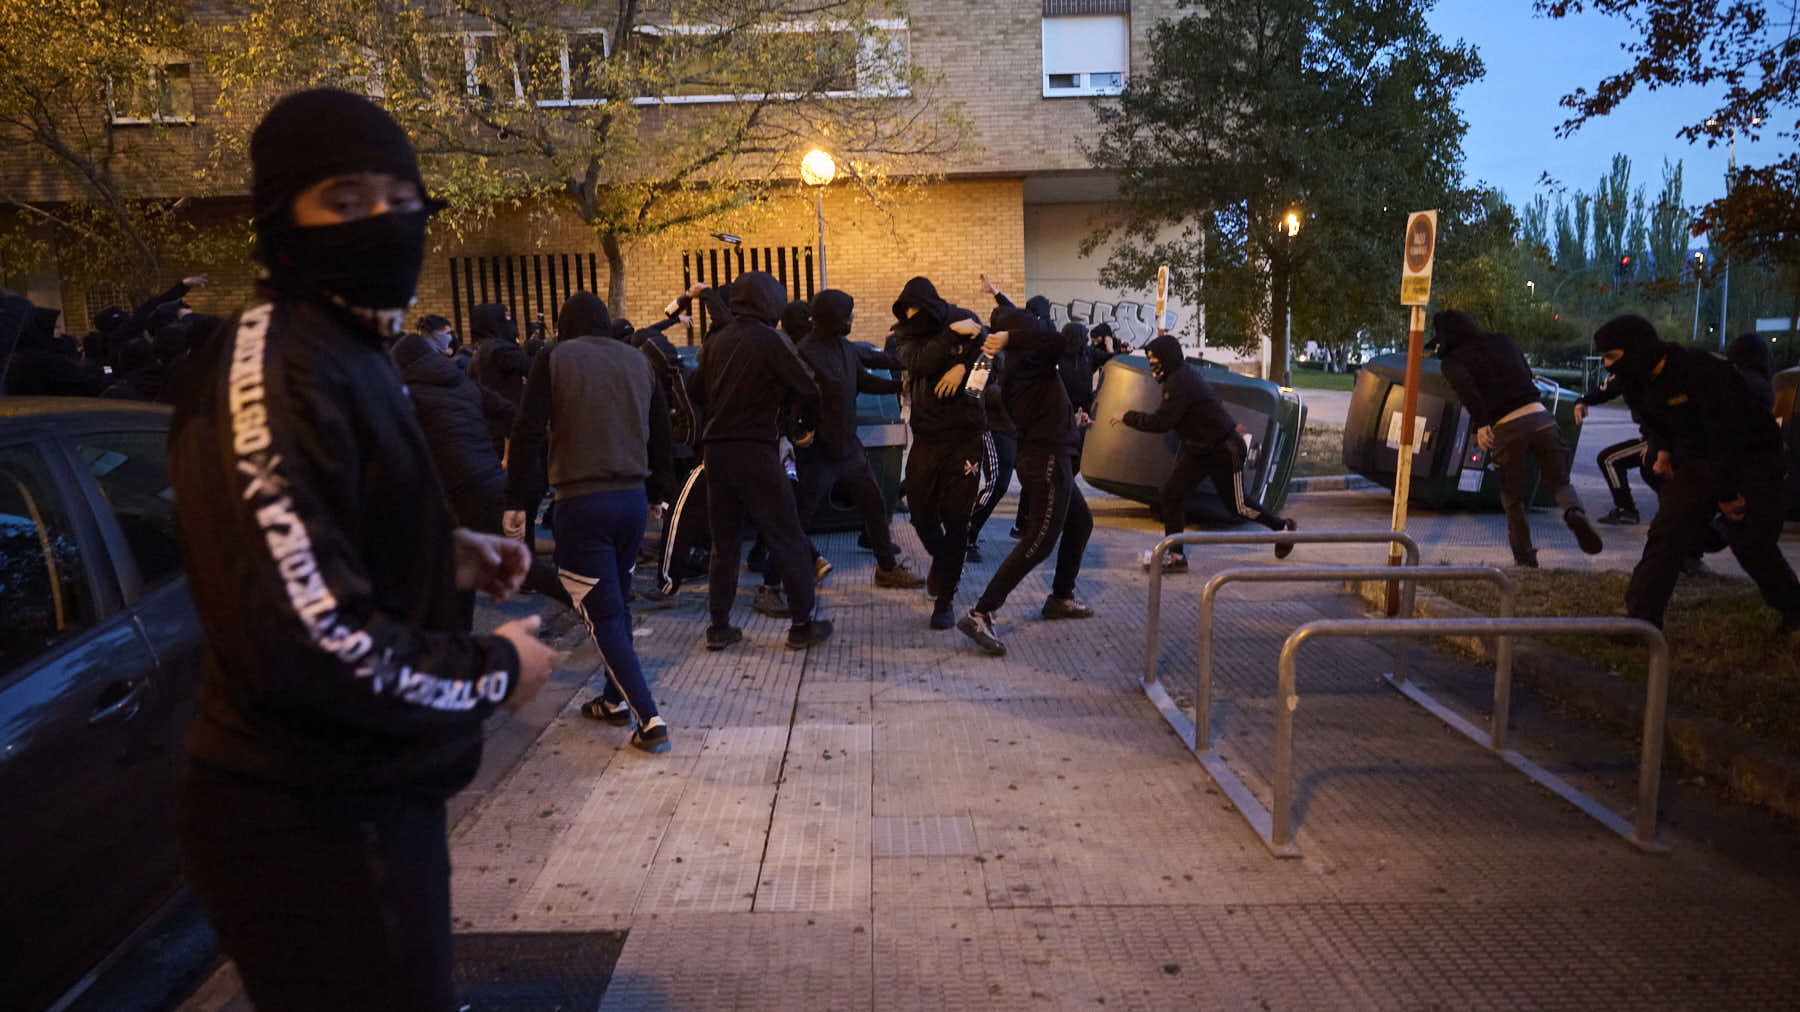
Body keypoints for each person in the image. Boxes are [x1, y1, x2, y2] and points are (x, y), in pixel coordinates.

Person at [165, 88, 562, 1012]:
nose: (382, 222)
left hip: (369, 795)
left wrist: (443, 552)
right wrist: (495, 667)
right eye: (344, 202)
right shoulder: (272, 372)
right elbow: (310, 642)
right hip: (312, 823)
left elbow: (324, 534)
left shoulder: (343, 347)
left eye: (399, 196)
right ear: (282, 220)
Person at [508, 291, 674, 750]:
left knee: (602, 615)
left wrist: (518, 502)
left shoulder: (554, 357)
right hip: (633, 501)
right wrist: (659, 491)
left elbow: (527, 431)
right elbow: (661, 429)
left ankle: (649, 719)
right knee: (617, 601)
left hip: (582, 502)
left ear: (564, 325)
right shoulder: (639, 360)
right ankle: (612, 698)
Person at [1596, 315, 1800, 633]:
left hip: (1753, 456)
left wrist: (1728, 495)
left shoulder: (1702, 372)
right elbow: (1657, 420)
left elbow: (1727, 438)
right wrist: (1661, 449)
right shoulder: (1636, 383)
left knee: (1750, 543)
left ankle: (1793, 606)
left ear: (1636, 350)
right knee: (1667, 531)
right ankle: (1641, 621)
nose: (1607, 365)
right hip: (1696, 456)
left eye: (1612, 356)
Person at [692, 271, 832, 650]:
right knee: (785, 535)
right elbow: (808, 386)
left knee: (725, 543)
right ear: (772, 302)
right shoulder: (772, 340)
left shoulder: (715, 341)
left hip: (716, 451)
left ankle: (719, 628)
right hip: (755, 449)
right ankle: (803, 624)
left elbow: (694, 390)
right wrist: (803, 426)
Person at [959, 307, 1096, 655]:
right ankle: (981, 612)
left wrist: (1072, 419)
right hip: (1047, 462)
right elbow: (1057, 339)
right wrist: (1008, 338)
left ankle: (1061, 597)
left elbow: (1043, 405)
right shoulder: (1027, 363)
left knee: (1080, 522)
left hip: (1050, 455)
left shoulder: (1024, 367)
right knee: (1038, 541)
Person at [1429, 309, 1601, 568]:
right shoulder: (1503, 341)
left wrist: (1482, 423)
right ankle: (1574, 512)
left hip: (1507, 429)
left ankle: (1525, 559)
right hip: (1541, 418)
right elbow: (1526, 373)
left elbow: (1467, 389)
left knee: (1512, 499)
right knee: (1559, 483)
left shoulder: (1452, 361)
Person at [1110, 334, 1296, 573]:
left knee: (1237, 506)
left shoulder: (1179, 382)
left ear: (1167, 359)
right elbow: (1208, 403)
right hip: (1201, 449)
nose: (1153, 365)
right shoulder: (1178, 377)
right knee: (1171, 493)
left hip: (1222, 449)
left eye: (1155, 360)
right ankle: (1176, 556)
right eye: (1150, 360)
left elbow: (1161, 422)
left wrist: (1126, 416)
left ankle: (1283, 527)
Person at [796, 289, 925, 588]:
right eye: (847, 315)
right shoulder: (804, 353)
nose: (852, 319)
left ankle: (887, 568)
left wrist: (900, 386)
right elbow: (793, 398)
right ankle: (774, 583)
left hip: (847, 446)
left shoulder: (844, 348)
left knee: (874, 503)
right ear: (831, 318)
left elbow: (863, 380)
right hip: (817, 452)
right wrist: (797, 431)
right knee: (800, 517)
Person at [892, 276, 995, 629]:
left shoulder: (965, 316)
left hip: (965, 435)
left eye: (916, 309)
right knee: (920, 513)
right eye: (906, 311)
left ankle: (946, 600)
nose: (910, 315)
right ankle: (944, 560)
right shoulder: (905, 334)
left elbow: (991, 360)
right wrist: (954, 337)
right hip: (927, 436)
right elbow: (918, 362)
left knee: (957, 519)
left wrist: (965, 367)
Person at [1574, 373, 1650, 525]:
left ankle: (1627, 510)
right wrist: (1582, 400)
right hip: (1657, 436)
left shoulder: (1642, 368)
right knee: (1646, 469)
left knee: (1609, 460)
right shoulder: (1626, 369)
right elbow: (1606, 390)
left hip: (1668, 437)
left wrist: (1659, 446)